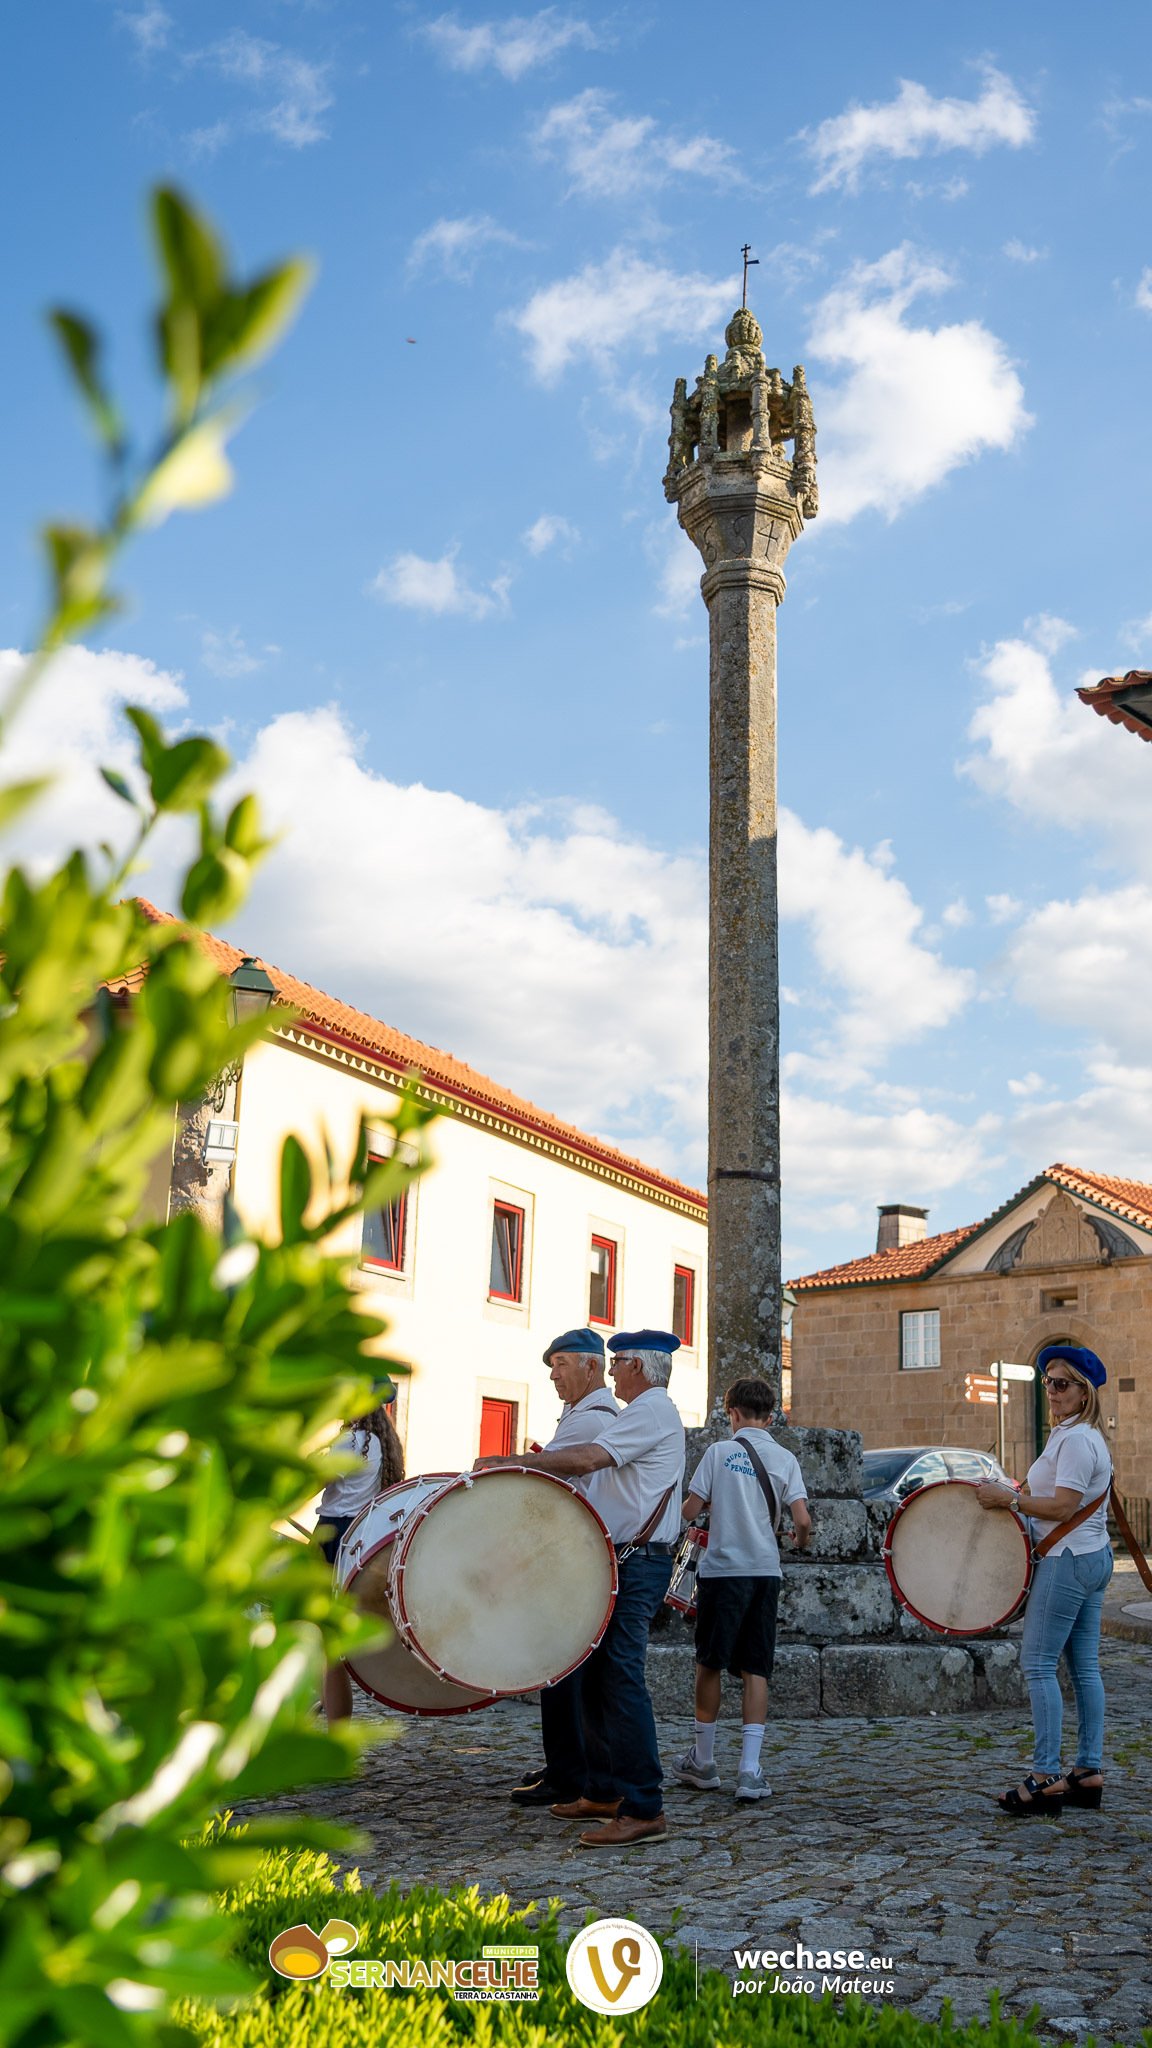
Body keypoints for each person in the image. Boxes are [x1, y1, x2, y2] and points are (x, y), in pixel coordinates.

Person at [474, 1328, 685, 1846]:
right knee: (593, 1677)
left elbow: (590, 1460)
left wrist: (515, 1462)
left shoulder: (653, 1408)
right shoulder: (644, 1410)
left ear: (638, 1366)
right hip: (623, 1561)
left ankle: (643, 1805)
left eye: (617, 1364)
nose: (611, 1373)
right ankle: (605, 1789)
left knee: (620, 1679)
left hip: (636, 1563)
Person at [975, 1345, 1113, 1815]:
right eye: (1047, 1382)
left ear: (1084, 1392)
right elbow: (1050, 1493)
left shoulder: (1075, 1441)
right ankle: (1087, 1772)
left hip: (1067, 1559)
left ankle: (1045, 1776)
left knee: (1037, 1663)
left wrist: (1009, 1501)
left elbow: (1061, 1508)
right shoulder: (1075, 1435)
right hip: (1090, 1557)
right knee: (1084, 1669)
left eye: (1062, 1384)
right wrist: (1012, 1489)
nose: (1051, 1391)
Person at [676, 1378, 811, 1802]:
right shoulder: (785, 1458)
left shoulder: (718, 1453)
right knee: (757, 1667)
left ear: (731, 1412)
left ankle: (704, 1759)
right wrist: (798, 1541)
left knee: (710, 1662)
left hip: (721, 1572)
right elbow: (803, 1521)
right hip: (764, 1572)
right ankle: (750, 1771)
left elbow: (690, 1510)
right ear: (771, 1417)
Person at [503, 1327, 620, 1809]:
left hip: (570, 1556)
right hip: (573, 1552)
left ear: (592, 1367)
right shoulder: (585, 1414)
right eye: (551, 1366)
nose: (553, 1374)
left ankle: (569, 1773)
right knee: (568, 1667)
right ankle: (567, 1762)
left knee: (559, 1666)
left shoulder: (592, 1419)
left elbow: (553, 1477)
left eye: (562, 1364)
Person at [316, 1383, 404, 1724]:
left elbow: (313, 1481)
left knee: (329, 1643)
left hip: (333, 1535)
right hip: (360, 1537)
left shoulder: (350, 1441)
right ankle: (329, 1713)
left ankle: (337, 1729)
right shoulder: (380, 1442)